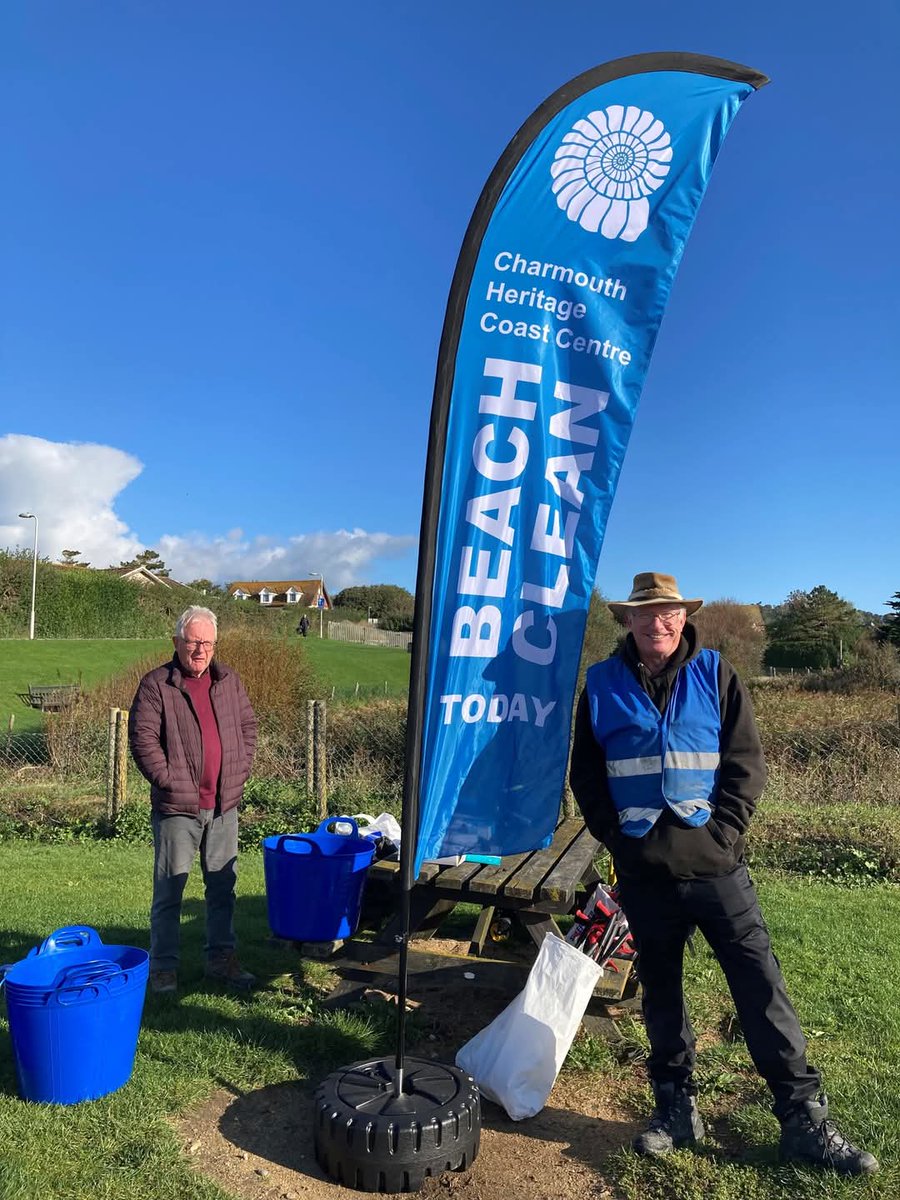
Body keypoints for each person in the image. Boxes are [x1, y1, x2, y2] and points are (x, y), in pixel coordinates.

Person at [569, 572, 878, 1175]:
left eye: (670, 612)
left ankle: (802, 1120)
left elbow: (744, 762)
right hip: (642, 869)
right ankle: (675, 1109)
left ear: (683, 618)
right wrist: (613, 836)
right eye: (646, 613)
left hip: (716, 867)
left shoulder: (716, 673)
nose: (659, 622)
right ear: (626, 621)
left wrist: (723, 833)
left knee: (761, 987)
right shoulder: (600, 684)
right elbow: (586, 770)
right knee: (661, 992)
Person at [129, 605, 258, 995]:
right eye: (192, 642)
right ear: (176, 642)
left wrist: (238, 771)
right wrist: (168, 781)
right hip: (178, 808)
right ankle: (164, 968)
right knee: (170, 890)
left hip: (223, 807)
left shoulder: (229, 680)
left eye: (207, 642)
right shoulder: (157, 685)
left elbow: (248, 727)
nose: (200, 650)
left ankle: (221, 960)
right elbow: (143, 740)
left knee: (222, 888)